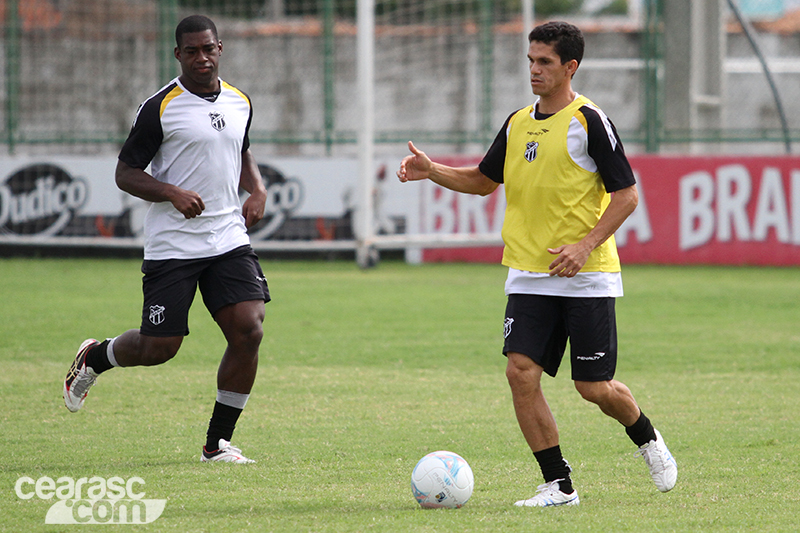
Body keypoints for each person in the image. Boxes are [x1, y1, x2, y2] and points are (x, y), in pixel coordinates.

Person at [397, 21, 677, 506]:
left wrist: (585, 245)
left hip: (587, 277)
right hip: (528, 273)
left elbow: (627, 196)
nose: (534, 70)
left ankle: (648, 439)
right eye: (530, 60)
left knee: (593, 388)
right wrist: (432, 170)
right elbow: (485, 181)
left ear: (570, 66)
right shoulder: (517, 122)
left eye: (544, 61)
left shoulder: (590, 121)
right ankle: (558, 484)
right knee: (520, 372)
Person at [63, 15, 269, 464]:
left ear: (221, 49)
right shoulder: (160, 107)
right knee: (160, 348)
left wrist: (257, 187)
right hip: (174, 244)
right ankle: (95, 358)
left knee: (249, 328)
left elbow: (243, 148)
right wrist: (172, 193)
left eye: (208, 49)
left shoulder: (239, 101)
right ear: (178, 55)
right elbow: (125, 173)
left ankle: (216, 445)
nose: (201, 57)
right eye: (191, 51)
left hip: (227, 237)